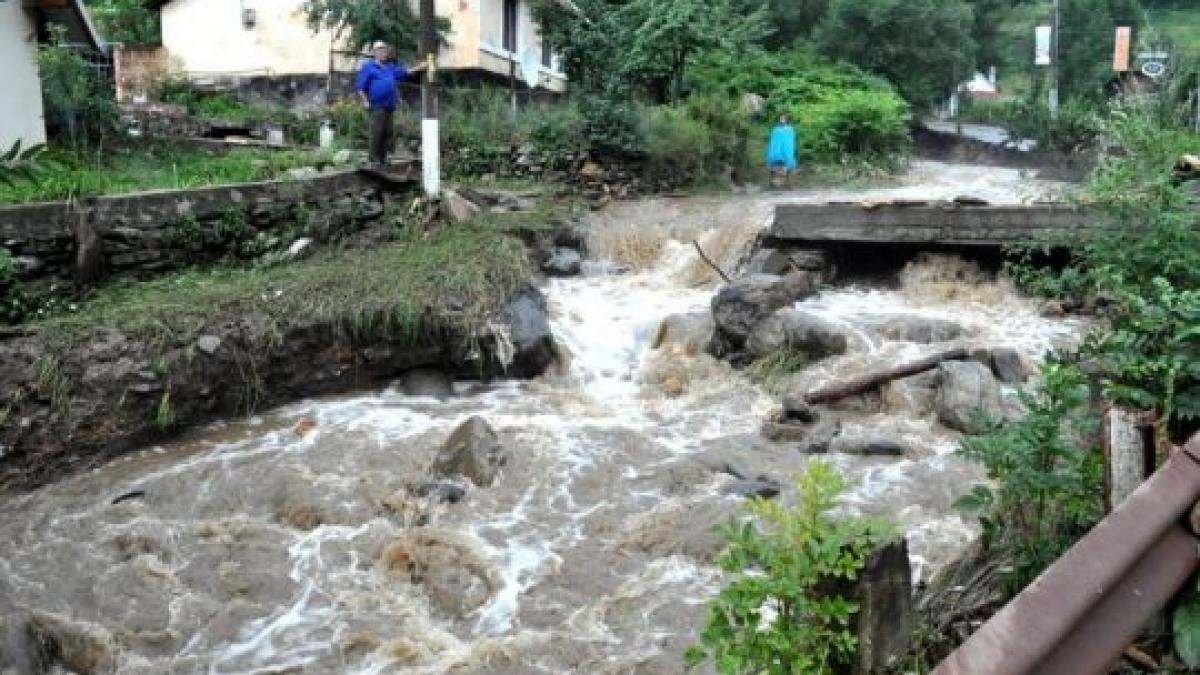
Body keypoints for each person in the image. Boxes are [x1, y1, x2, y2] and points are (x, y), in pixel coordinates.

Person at [356, 41, 424, 167]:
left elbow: (405, 72)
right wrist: (365, 101)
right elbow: (360, 87)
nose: (384, 53)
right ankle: (373, 159)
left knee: (388, 133)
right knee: (376, 132)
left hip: (389, 105)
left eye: (385, 51)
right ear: (375, 53)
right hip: (376, 105)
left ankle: (383, 158)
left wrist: (420, 67)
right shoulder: (369, 67)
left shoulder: (390, 67)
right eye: (381, 51)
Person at [765, 114, 799, 186]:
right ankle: (771, 182)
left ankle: (788, 183)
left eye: (783, 119)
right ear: (779, 120)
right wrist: (773, 150)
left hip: (787, 151)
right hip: (776, 151)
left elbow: (791, 140)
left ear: (786, 120)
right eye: (781, 119)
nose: (782, 120)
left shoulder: (790, 129)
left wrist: (790, 149)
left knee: (789, 164)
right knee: (772, 164)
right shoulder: (775, 130)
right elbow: (773, 141)